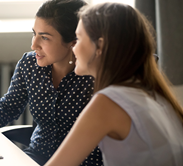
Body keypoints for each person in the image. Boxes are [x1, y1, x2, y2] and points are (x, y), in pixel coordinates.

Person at [0, 0, 103, 165]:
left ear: (73, 43)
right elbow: (9, 106)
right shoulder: (30, 64)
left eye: (44, 38)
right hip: (35, 156)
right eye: (34, 34)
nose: (33, 45)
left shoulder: (95, 76)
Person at [44, 2, 183, 166]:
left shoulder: (108, 102)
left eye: (79, 38)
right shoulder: (154, 95)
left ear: (100, 46)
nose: (73, 48)